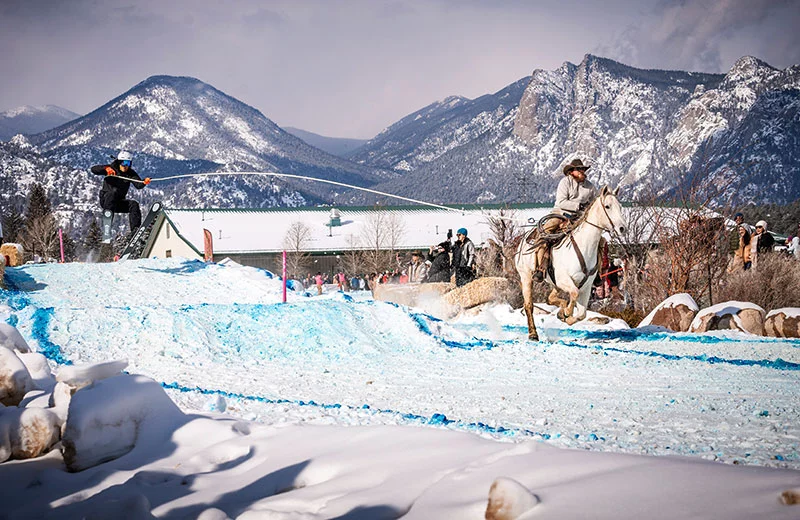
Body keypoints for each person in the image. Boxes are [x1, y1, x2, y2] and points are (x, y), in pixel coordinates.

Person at [533, 158, 597, 282]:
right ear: (572, 171)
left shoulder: (590, 187)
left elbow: (594, 202)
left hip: (581, 217)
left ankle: (596, 271)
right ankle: (541, 268)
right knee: (545, 234)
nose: (583, 172)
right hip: (561, 214)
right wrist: (579, 206)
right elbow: (561, 202)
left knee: (599, 240)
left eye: (583, 169)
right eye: (580, 170)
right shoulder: (565, 182)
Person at [90, 150, 151, 236]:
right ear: (119, 162)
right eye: (124, 163)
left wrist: (144, 182)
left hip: (118, 202)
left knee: (134, 204)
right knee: (112, 193)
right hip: (106, 201)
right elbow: (93, 169)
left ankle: (135, 233)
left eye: (128, 163)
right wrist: (105, 169)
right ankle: (107, 227)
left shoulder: (130, 173)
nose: (126, 166)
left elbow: (138, 184)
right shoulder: (111, 168)